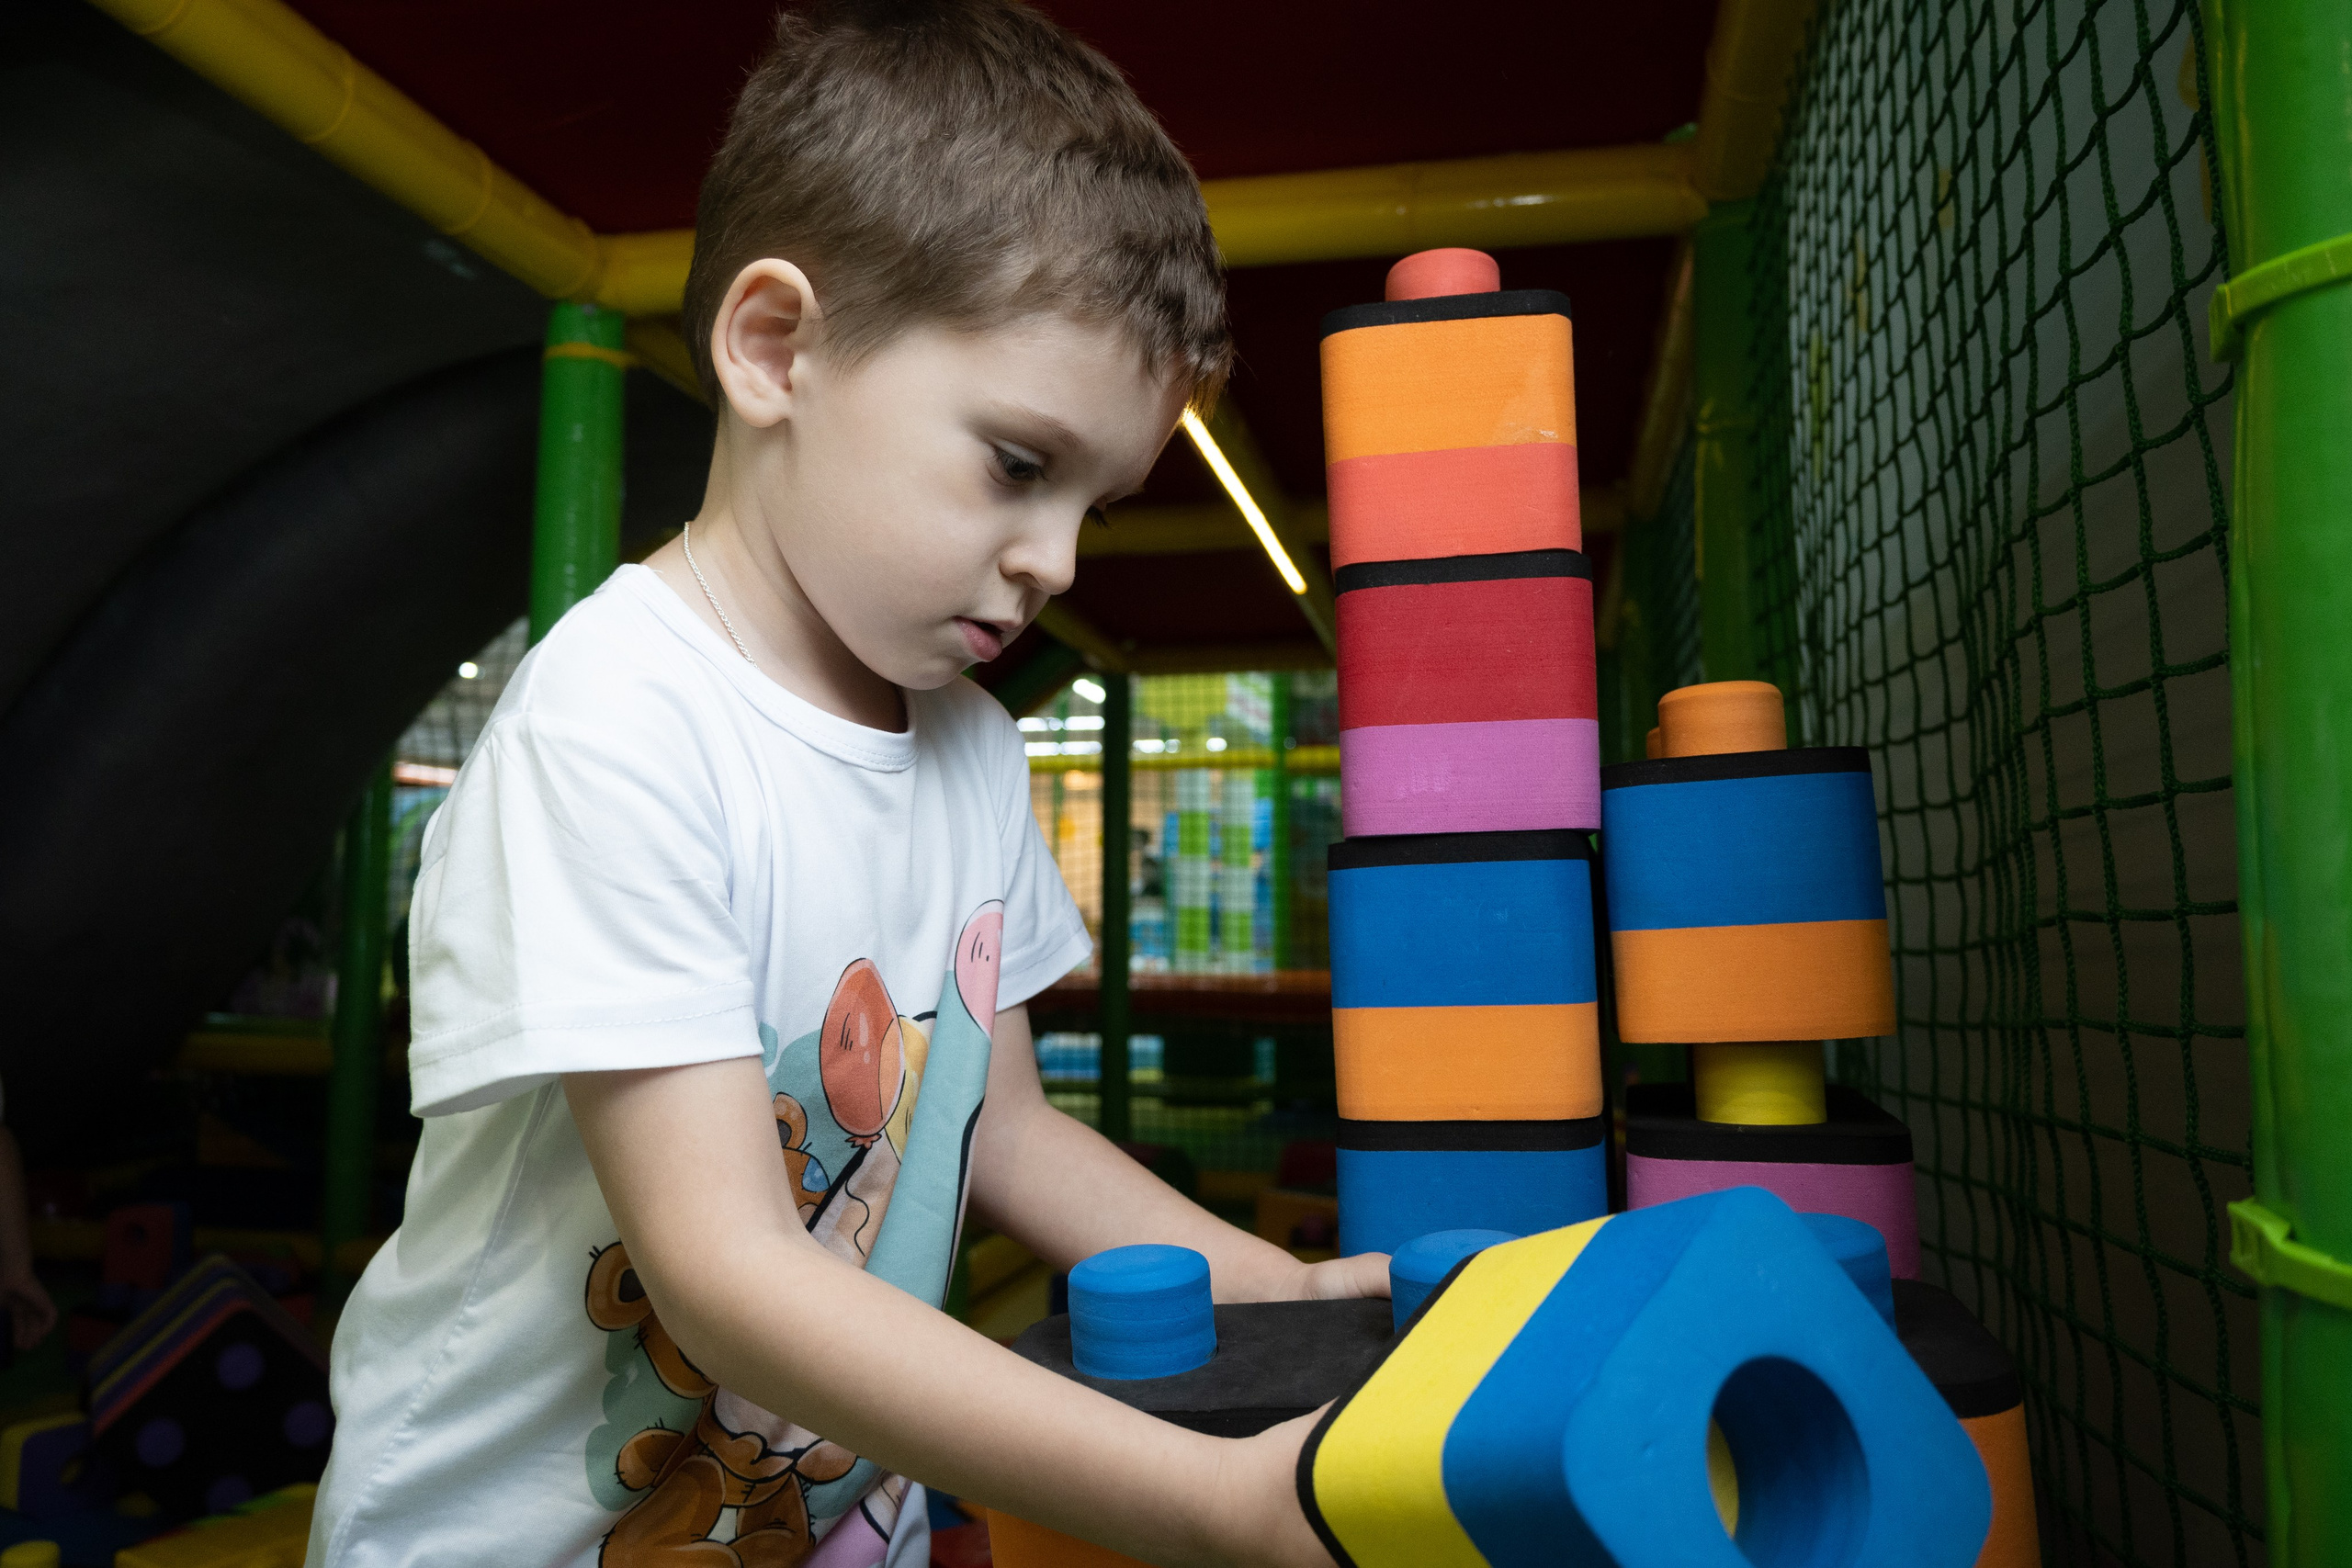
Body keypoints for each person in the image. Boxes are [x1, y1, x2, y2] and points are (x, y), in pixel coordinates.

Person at [306, 5, 1380, 1565]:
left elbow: (1003, 1131)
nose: (1057, 561)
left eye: (1095, 504)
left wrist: (1283, 1293)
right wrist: (1214, 1501)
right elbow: (725, 1276)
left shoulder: (975, 747)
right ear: (776, 350)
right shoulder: (619, 724)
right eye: (1020, 465)